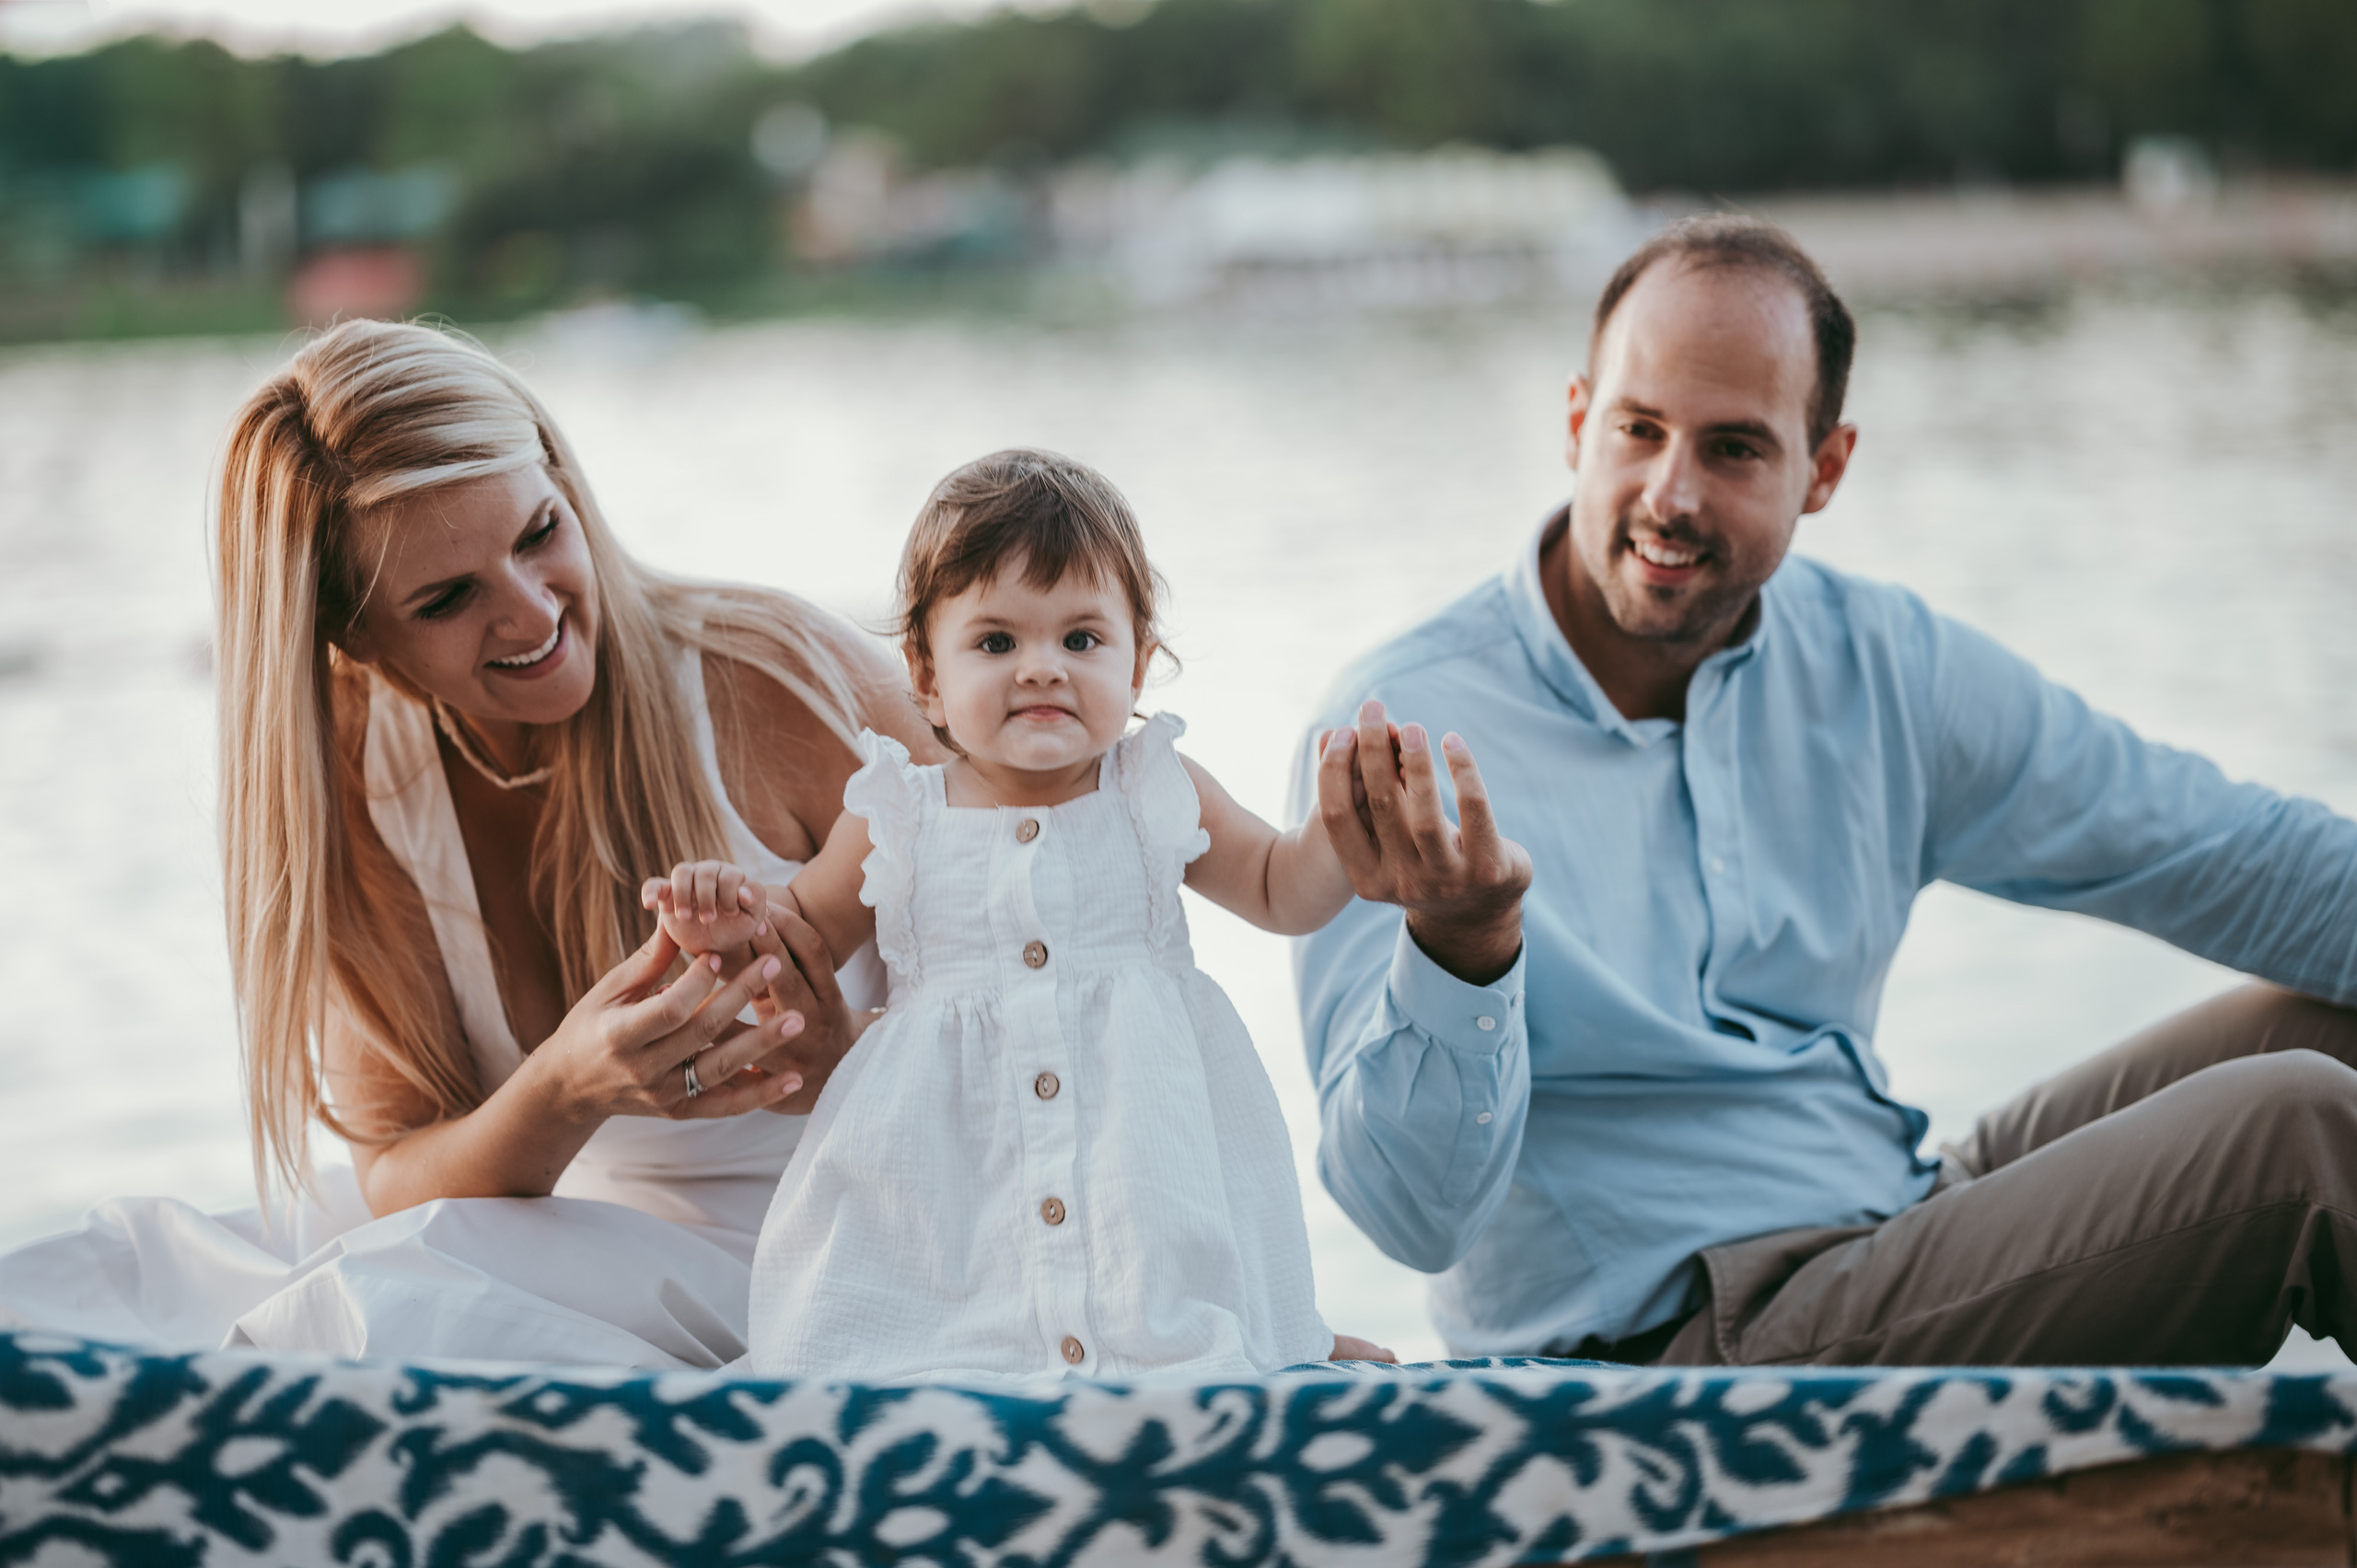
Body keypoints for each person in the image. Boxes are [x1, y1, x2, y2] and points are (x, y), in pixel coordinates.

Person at [1293, 214, 2357, 1367]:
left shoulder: (1879, 661)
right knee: (2299, 1135)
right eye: (1638, 429)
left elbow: (2221, 851)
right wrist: (1462, 948)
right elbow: (1408, 1216)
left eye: (1733, 449)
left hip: (1888, 1211)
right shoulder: (1402, 731)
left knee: (2323, 1034)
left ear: (1825, 468)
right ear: (1574, 422)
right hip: (1658, 1359)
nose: (1669, 493)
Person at [0, 319, 935, 1368]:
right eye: (448, 598)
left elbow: (1045, 994)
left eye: (538, 532)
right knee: (100, 1277)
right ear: (355, 639)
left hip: (847, 1236)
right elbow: (397, 1173)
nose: (532, 614)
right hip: (582, 1234)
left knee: (379, 1300)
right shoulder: (353, 777)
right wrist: (565, 1089)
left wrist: (846, 1049)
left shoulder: (769, 674)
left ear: (561, 479)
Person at [648, 449, 1399, 1379]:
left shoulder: (1155, 787)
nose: (1042, 668)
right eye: (997, 642)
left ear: (1140, 662)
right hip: (947, 1178)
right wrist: (728, 920)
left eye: (1081, 639)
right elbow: (794, 935)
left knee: (1167, 1336)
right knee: (919, 1356)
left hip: (1143, 1161)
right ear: (927, 675)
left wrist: (1339, 831)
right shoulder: (897, 813)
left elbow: (1281, 888)